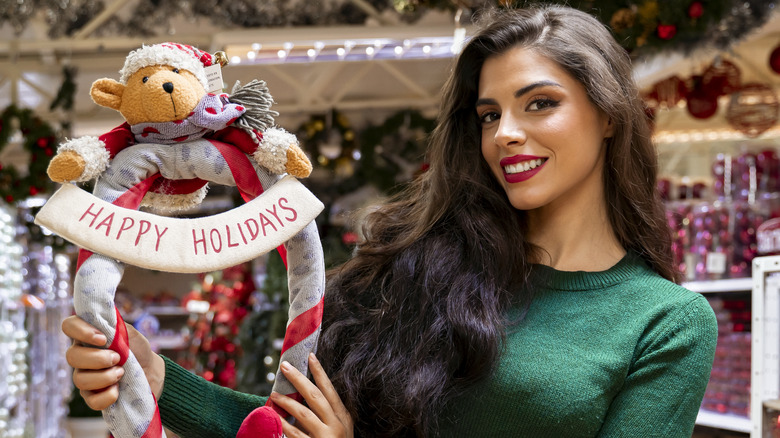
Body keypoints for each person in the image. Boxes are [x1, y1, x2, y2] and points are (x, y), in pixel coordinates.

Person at [63, 4, 718, 438]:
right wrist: (156, 380)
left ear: (608, 114)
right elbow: (293, 423)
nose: (506, 135)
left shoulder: (662, 322)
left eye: (539, 104)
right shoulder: (420, 267)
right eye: (489, 115)